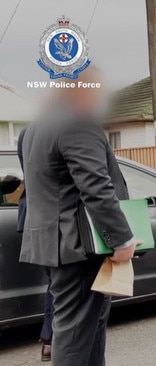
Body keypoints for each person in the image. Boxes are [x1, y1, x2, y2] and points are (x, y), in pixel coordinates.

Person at [20, 66, 141, 366]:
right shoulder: (76, 123)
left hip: (58, 245)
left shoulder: (36, 128)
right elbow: (97, 187)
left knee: (88, 328)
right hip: (80, 248)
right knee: (76, 335)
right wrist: (122, 239)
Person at [16, 127, 54, 362]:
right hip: (57, 216)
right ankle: (53, 339)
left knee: (55, 281)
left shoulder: (26, 133)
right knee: (63, 283)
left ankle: (49, 340)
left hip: (33, 215)